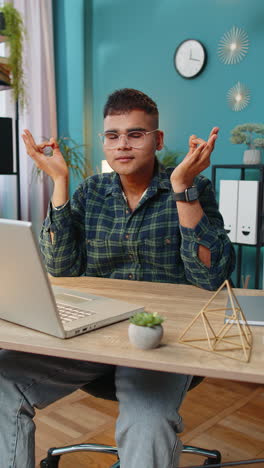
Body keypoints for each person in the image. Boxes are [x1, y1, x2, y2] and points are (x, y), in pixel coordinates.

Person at [0, 88, 235, 468]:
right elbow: (60, 266)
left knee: (147, 420)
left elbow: (211, 277)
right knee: (3, 380)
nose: (122, 145)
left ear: (158, 140)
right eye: (113, 136)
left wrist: (183, 189)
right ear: (104, 142)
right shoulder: (92, 191)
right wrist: (60, 182)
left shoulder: (193, 188)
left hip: (160, 338)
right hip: (93, 333)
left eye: (135, 134)